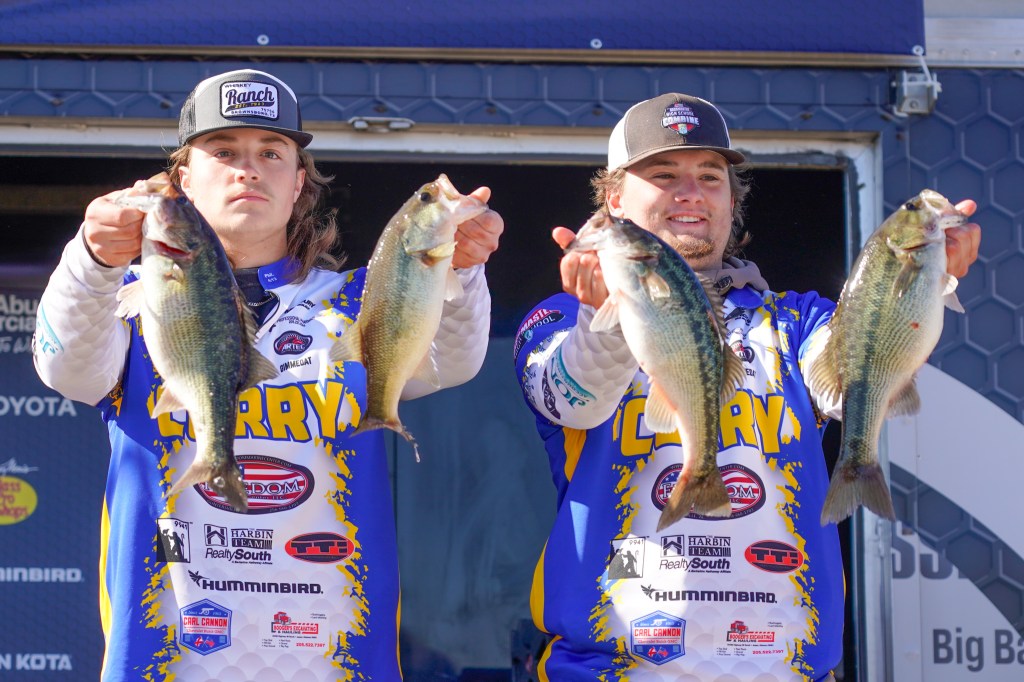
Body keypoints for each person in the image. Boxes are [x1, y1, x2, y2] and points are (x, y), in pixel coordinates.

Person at [32, 69, 503, 681]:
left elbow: (450, 362)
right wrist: (92, 260)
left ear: (298, 181)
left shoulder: (356, 299)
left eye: (271, 153)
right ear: (183, 179)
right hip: (169, 654)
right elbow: (64, 367)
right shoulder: (128, 296)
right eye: (224, 152)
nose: (247, 170)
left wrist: (458, 270)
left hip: (332, 655)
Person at [512, 93, 980, 681]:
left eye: (711, 176)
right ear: (615, 200)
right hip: (610, 668)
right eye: (664, 175)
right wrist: (600, 316)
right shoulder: (562, 319)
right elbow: (574, 399)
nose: (691, 192)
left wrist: (926, 279)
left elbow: (851, 390)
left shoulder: (798, 321)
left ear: (732, 200)